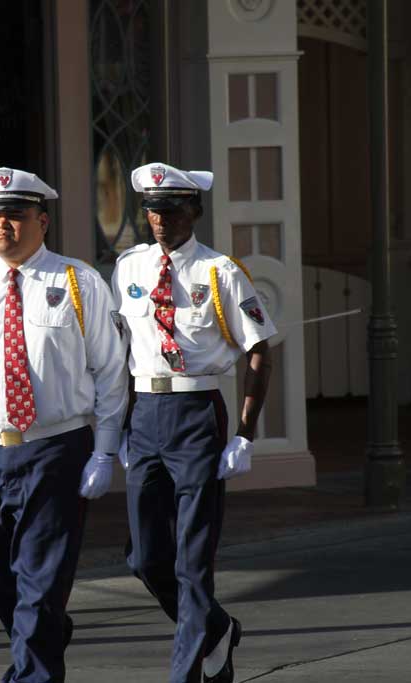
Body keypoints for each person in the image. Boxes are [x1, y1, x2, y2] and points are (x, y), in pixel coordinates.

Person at [0, 167, 128, 683]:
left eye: (15, 215)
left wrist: (104, 451)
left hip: (56, 449)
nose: (3, 225)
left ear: (43, 220)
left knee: (43, 575)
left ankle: (34, 664)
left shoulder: (78, 282)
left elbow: (110, 370)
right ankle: (45, 627)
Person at [111, 163, 276, 683]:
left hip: (197, 413)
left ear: (195, 212)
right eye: (153, 209)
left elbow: (258, 351)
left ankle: (187, 672)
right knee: (143, 556)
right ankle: (217, 627)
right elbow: (117, 350)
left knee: (192, 559)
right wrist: (113, 426)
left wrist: (246, 435)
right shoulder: (128, 268)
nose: (160, 219)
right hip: (143, 412)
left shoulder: (219, 272)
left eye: (173, 209)